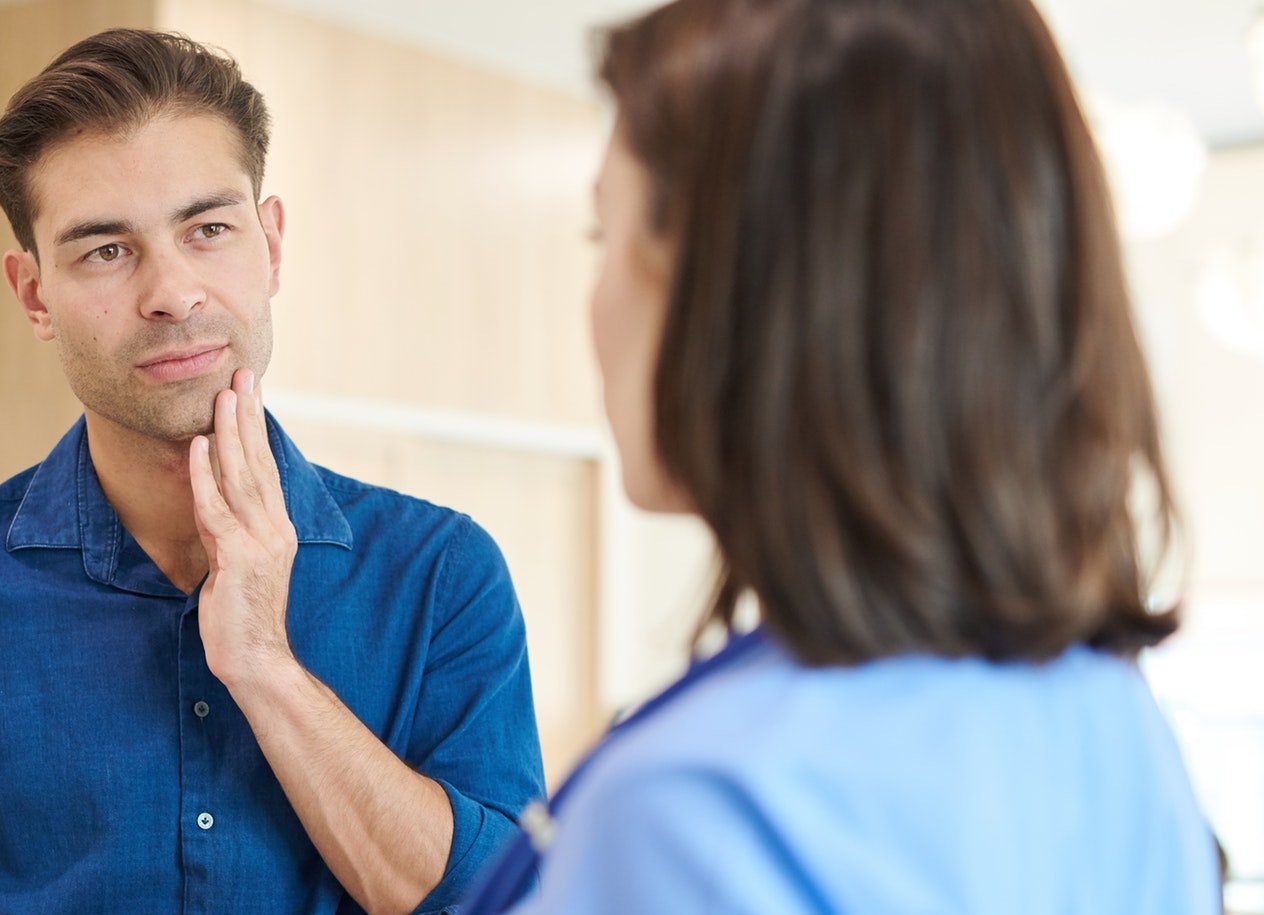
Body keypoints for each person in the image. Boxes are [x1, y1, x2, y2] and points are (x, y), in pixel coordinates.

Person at [0, 28, 545, 915]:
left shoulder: (442, 577)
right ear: (34, 295)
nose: (172, 291)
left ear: (271, 245)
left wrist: (266, 666)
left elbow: (506, 901)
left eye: (208, 229)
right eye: (105, 249)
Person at [461, 0, 1223, 911]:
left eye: (605, 236)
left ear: (739, 286)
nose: (594, 303)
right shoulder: (1108, 720)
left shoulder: (697, 812)